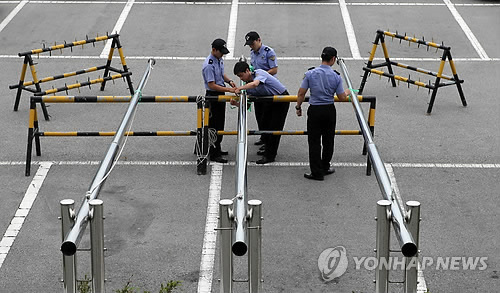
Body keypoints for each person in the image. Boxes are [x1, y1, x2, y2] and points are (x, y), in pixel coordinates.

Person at [296, 47, 351, 181]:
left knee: (314, 141)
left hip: (315, 110)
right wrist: (349, 91)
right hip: (329, 110)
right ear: (333, 59)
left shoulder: (310, 74)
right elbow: (342, 97)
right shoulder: (336, 76)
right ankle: (325, 166)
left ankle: (316, 172)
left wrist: (298, 106)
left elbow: (301, 93)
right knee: (328, 139)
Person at [233, 61, 289, 164]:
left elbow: (256, 84)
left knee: (274, 128)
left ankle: (270, 156)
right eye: (239, 77)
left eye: (241, 75)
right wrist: (236, 104)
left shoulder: (259, 73)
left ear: (247, 71)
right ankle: (267, 149)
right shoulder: (248, 87)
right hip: (269, 101)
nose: (241, 79)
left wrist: (239, 88)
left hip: (281, 100)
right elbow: (247, 105)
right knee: (264, 125)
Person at [202, 38, 236, 163]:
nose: (222, 54)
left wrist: (230, 81)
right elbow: (212, 85)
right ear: (214, 50)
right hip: (213, 95)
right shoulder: (209, 65)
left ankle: (218, 147)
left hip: (220, 92)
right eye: (221, 52)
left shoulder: (218, 59)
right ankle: (214, 152)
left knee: (220, 122)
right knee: (214, 124)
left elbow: (221, 74)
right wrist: (229, 90)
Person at [244, 31, 278, 147]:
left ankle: (268, 140)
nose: (251, 46)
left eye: (252, 44)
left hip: (266, 88)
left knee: (267, 115)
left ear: (259, 40)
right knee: (259, 115)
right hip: (256, 88)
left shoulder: (269, 52)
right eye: (249, 45)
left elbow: (274, 70)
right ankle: (263, 137)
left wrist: (261, 76)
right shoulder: (252, 52)